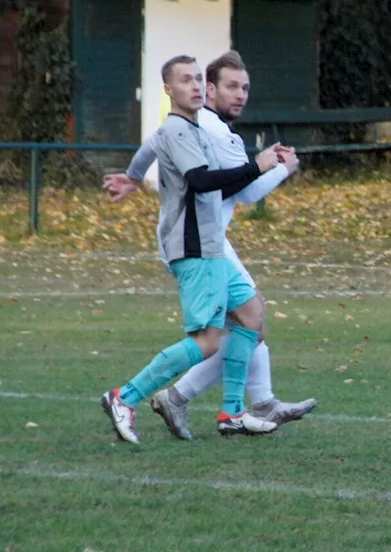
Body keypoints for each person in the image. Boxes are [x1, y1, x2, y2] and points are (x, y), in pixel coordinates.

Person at [103, 51, 314, 440]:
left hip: (208, 239)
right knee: (209, 339)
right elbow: (233, 188)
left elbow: (152, 144)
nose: (240, 94)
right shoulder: (204, 130)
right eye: (230, 86)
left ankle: (235, 411)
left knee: (251, 316)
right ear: (172, 88)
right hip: (195, 241)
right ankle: (131, 396)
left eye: (245, 87)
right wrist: (276, 167)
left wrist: (133, 177)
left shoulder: (196, 125)